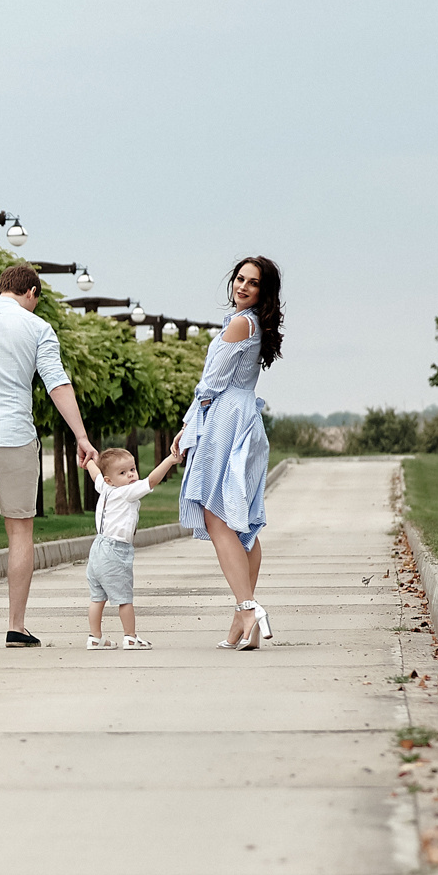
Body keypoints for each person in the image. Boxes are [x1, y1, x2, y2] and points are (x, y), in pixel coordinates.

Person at [0, 263, 98, 650]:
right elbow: (57, 383)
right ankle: (15, 627)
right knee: (20, 528)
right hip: (13, 436)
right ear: (32, 293)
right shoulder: (37, 328)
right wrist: (81, 436)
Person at [176, 255, 283, 650]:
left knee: (216, 512)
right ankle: (245, 621)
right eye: (240, 278)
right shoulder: (255, 323)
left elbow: (210, 384)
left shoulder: (241, 323)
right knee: (239, 522)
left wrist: (188, 429)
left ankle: (247, 608)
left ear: (263, 291)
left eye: (252, 283)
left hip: (226, 419)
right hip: (244, 416)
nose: (242, 286)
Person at [81, 440, 182, 649]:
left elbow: (95, 475)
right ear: (111, 479)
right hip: (116, 551)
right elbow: (151, 481)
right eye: (123, 473)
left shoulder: (105, 487)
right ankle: (130, 637)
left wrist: (87, 459)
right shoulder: (126, 492)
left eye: (133, 469)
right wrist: (170, 461)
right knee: (124, 598)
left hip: (97, 548)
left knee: (97, 597)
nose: (131, 475)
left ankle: (95, 637)